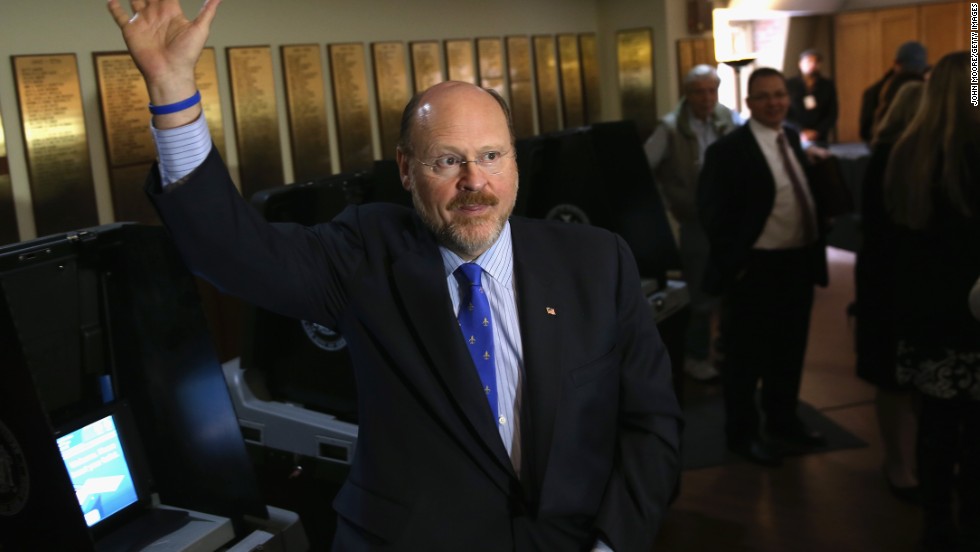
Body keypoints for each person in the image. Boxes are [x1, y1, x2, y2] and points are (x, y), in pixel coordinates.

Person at [106, 0, 683, 550]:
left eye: (491, 156)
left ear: (515, 160)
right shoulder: (366, 253)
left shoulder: (596, 262)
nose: (474, 182)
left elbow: (650, 422)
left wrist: (611, 544)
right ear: (407, 169)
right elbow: (230, 253)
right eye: (447, 160)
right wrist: (172, 88)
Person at [697, 67, 830, 467]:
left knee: (790, 351)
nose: (774, 102)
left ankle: (784, 420)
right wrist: (735, 265)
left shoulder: (790, 136)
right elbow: (713, 214)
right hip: (755, 268)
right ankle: (743, 433)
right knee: (745, 357)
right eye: (764, 96)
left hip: (797, 262)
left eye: (779, 94)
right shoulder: (728, 151)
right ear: (750, 104)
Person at [883, 51, 980, 552]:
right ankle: (971, 518)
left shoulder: (906, 151)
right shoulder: (973, 152)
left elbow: (894, 242)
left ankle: (937, 521)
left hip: (925, 314)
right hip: (970, 315)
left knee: (936, 425)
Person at [643, 64, 741, 383]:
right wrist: (668, 201)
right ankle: (695, 357)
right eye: (700, 91)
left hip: (728, 220)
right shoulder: (671, 127)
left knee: (733, 290)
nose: (707, 97)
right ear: (687, 95)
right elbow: (644, 168)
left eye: (712, 90)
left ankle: (726, 351)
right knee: (700, 294)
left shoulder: (729, 119)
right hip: (696, 221)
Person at [854, 82, 924, 503]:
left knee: (905, 379)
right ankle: (898, 462)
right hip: (889, 284)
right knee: (893, 378)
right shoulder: (889, 158)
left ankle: (906, 460)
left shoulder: (900, 156)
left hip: (893, 281)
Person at [858, 41, 928, 143]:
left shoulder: (873, 91)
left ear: (896, 63)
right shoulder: (928, 89)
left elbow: (865, 131)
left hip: (882, 150)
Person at [786, 49, 838, 147]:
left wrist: (817, 131)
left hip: (820, 136)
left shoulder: (827, 85)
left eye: (816, 62)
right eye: (809, 61)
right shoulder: (789, 85)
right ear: (800, 64)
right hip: (795, 134)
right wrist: (801, 131)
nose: (813, 65)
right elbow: (784, 114)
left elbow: (832, 113)